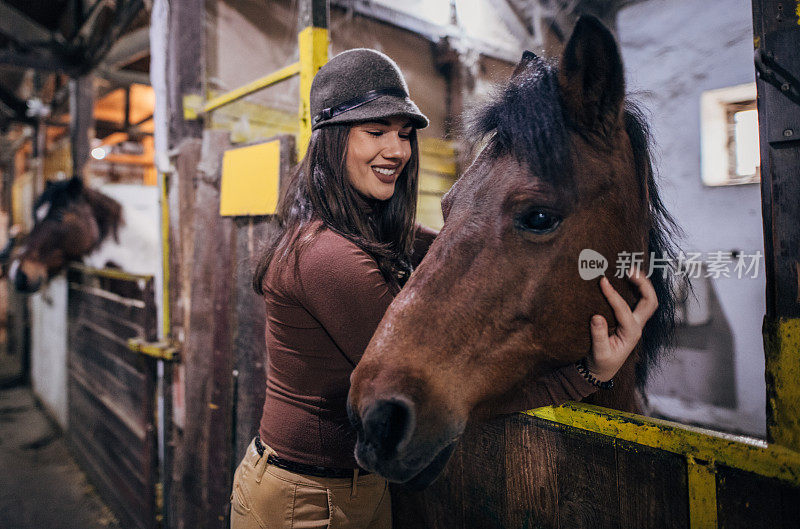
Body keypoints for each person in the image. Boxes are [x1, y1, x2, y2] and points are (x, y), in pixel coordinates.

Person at [230, 48, 658, 529]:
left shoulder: (358, 229)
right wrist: (587, 376)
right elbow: (428, 387)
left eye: (404, 134)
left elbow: (472, 252)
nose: (396, 150)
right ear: (331, 141)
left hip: (350, 490)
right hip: (307, 503)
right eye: (375, 133)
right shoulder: (327, 255)